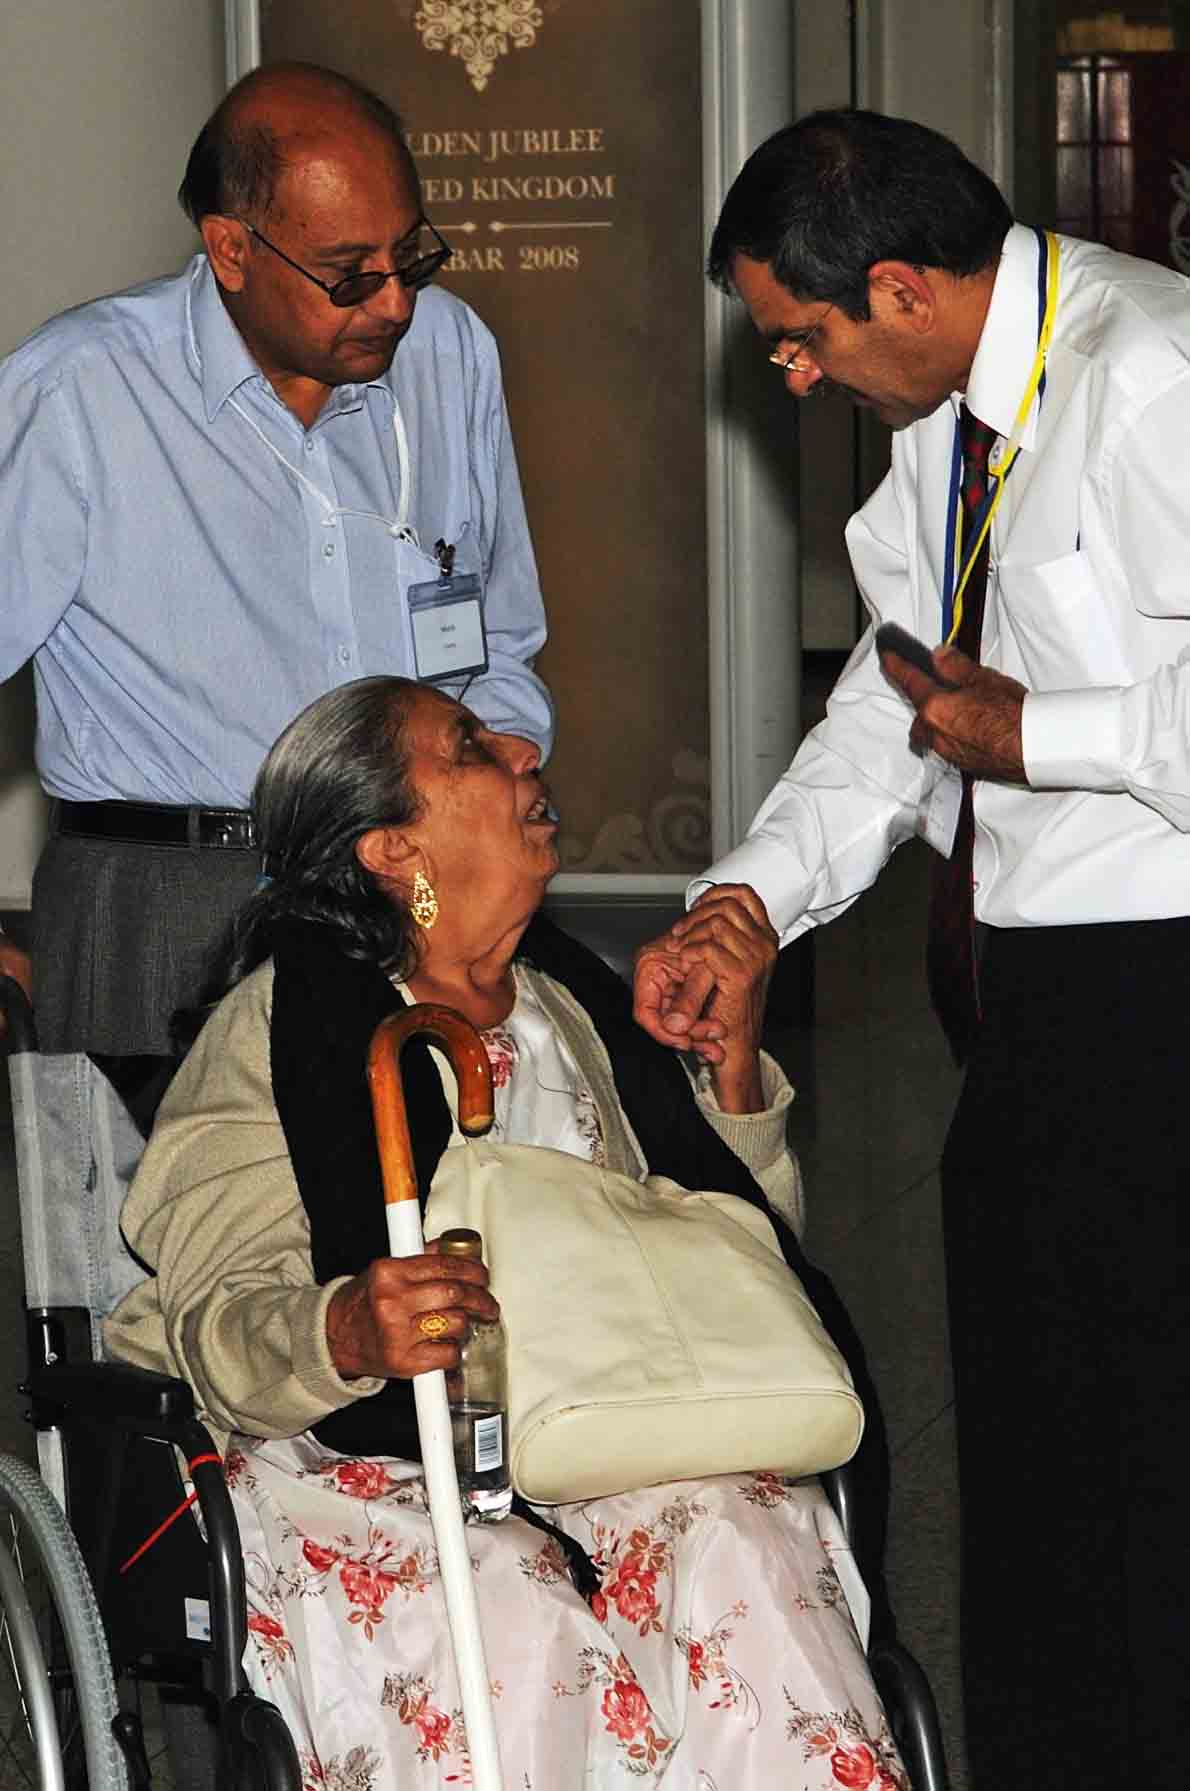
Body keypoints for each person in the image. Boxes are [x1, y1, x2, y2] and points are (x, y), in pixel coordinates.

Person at [633, 107, 1190, 1788]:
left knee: (1155, 1467)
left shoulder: (1150, 375)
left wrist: (1054, 735)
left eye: (800, 338)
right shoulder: (950, 427)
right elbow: (896, 716)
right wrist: (750, 902)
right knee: (1037, 1454)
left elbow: (1005, 723)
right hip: (1035, 1006)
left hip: (1166, 985)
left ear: (893, 284)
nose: (789, 377)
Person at [103, 674, 906, 1790]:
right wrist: (346, 1326)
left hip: (602, 1421)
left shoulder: (567, 1007)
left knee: (745, 1544)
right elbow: (217, 1322)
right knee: (507, 1594)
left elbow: (732, 1282)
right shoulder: (279, 1032)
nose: (526, 756)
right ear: (392, 849)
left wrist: (726, 1092)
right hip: (361, 1448)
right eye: (470, 748)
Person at [0, 62, 551, 1326]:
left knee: (410, 1276)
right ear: (232, 248)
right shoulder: (81, 391)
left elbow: (503, 637)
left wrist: (480, 814)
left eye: (412, 252)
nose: (397, 300)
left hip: (399, 890)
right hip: (168, 905)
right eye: (350, 271)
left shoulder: (451, 355)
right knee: (146, 1297)